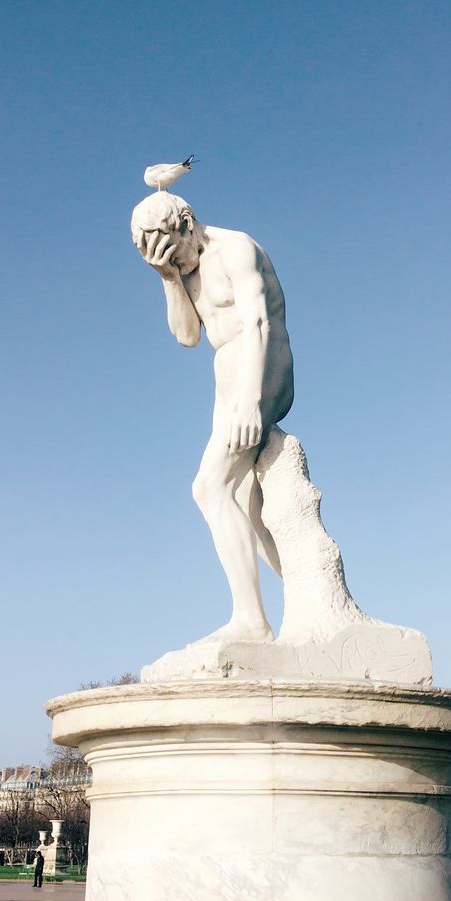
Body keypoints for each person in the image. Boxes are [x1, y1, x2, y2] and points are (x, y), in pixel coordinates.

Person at [132, 191, 294, 644]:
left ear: (187, 224)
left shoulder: (235, 247)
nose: (175, 261)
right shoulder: (184, 267)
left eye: (172, 249)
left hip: (260, 365)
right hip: (228, 373)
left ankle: (252, 622)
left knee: (209, 487)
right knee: (245, 506)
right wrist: (168, 278)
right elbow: (187, 336)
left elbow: (259, 322)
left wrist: (249, 401)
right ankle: (306, 595)